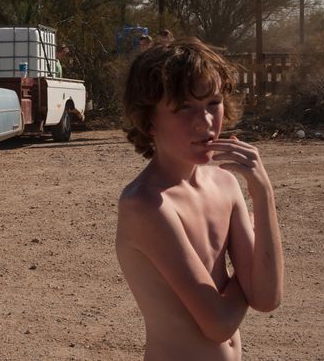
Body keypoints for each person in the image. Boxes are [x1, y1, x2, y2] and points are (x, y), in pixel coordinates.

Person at [115, 37, 283, 360]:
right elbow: (218, 323)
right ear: (149, 120)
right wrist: (245, 277)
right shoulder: (146, 205)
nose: (205, 122)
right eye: (184, 108)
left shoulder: (226, 184)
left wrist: (263, 194)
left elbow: (268, 297)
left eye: (213, 103)